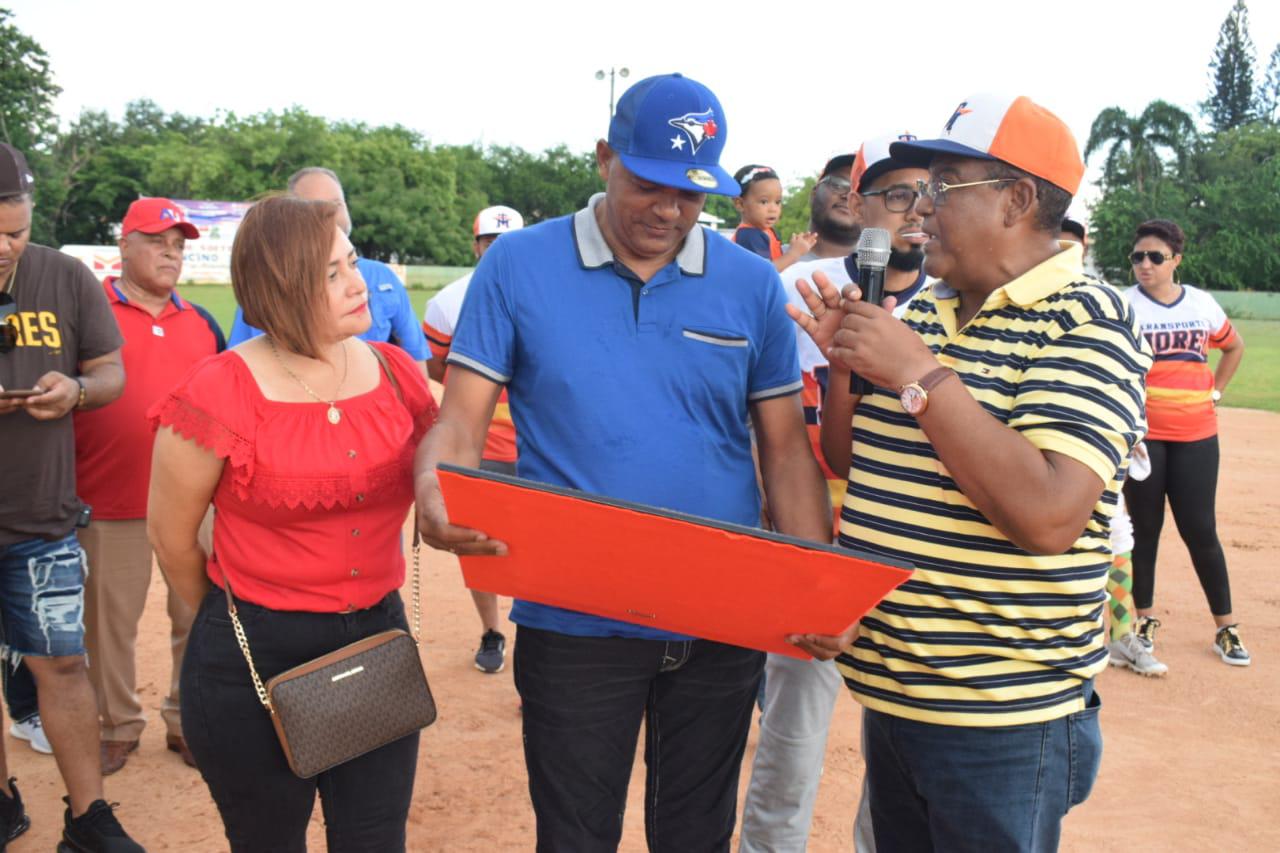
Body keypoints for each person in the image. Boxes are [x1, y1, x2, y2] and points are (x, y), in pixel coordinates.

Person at [413, 73, 837, 851]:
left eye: (691, 194)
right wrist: (434, 488)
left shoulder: (749, 284)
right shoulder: (518, 267)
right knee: (575, 835)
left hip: (718, 619)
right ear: (604, 156)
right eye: (648, 185)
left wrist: (808, 583)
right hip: (573, 619)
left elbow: (784, 450)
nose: (670, 212)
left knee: (695, 834)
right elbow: (459, 422)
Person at [790, 95, 1151, 851]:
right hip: (899, 695)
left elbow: (1050, 513)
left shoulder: (1086, 320)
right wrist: (848, 367)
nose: (920, 209)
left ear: (1019, 200)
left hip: (999, 719)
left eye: (944, 186)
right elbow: (858, 462)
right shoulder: (923, 315)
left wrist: (918, 373)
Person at [147, 195, 438, 851]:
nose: (358, 283)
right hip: (251, 654)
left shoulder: (396, 375)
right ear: (280, 288)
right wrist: (241, 623)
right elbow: (171, 535)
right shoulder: (218, 389)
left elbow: (445, 473)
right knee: (268, 839)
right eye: (330, 273)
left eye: (353, 261)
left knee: (373, 837)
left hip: (374, 644)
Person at [740, 133, 928, 853]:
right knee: (790, 743)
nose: (914, 212)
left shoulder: (956, 307)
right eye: (896, 193)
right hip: (808, 544)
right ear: (858, 202)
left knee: (904, 757)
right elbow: (761, 426)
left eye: (928, 193)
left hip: (908, 559)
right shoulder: (795, 290)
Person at [0, 142, 144, 851]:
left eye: (16, 231)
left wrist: (78, 390)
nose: (6, 247)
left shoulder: (63, 276)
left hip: (42, 514)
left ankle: (88, 817)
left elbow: (111, 369)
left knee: (61, 662)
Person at [75, 198, 225, 775]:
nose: (171, 252)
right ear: (125, 244)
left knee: (198, 615)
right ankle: (117, 724)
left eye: (179, 244)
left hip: (191, 499)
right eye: (158, 240)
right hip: (109, 495)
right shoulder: (92, 311)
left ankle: (187, 720)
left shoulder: (200, 322)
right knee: (109, 623)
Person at [1120, 218, 1249, 667]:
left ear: (1176, 260)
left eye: (1155, 256)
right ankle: (1145, 620)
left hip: (1197, 434)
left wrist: (1216, 393)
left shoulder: (1202, 303)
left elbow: (1234, 346)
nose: (1145, 264)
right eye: (1138, 256)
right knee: (1145, 530)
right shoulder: (1122, 305)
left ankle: (1226, 627)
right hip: (1145, 438)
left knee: (1200, 530)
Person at [422, 204, 524, 673]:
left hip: (541, 445)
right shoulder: (447, 301)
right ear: (476, 246)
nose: (499, 250)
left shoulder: (549, 294)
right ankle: (491, 630)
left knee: (544, 549)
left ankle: (539, 646)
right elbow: (439, 370)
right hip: (482, 445)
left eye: (508, 242)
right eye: (489, 242)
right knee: (480, 544)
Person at [227, 167, 430, 373]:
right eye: (331, 275)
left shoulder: (383, 276)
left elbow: (416, 359)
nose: (359, 287)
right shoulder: (269, 290)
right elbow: (240, 368)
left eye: (336, 204)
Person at [731, 164, 816, 271]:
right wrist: (794, 253)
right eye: (764, 201)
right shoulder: (750, 235)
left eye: (777, 202)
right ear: (740, 204)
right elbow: (764, 273)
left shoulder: (765, 231)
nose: (773, 209)